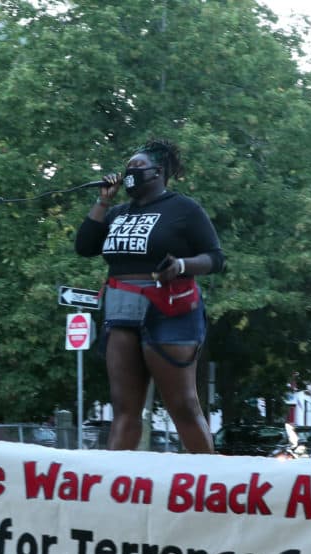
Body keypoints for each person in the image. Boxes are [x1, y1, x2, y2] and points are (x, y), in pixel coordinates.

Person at [75, 139, 225, 454]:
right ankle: (119, 489)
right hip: (122, 311)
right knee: (124, 410)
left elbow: (215, 258)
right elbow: (85, 246)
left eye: (138, 166)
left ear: (158, 172)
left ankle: (210, 483)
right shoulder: (117, 212)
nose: (130, 171)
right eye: (128, 166)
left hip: (169, 311)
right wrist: (103, 202)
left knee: (182, 406)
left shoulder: (183, 209)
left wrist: (182, 265)